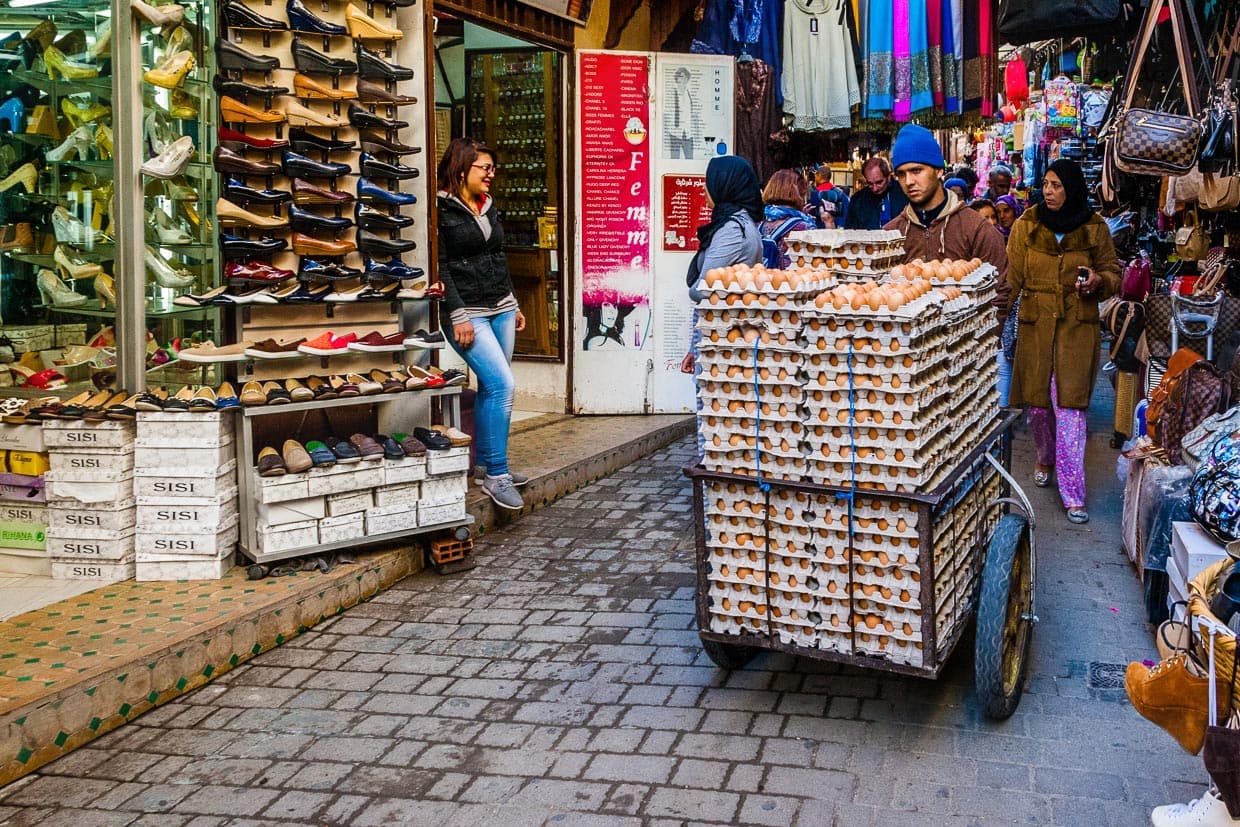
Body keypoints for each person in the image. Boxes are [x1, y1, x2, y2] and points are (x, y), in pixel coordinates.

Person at [1005, 159, 1120, 525]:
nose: (1049, 191)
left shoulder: (1094, 227)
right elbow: (1011, 280)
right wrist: (992, 323)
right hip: (1036, 326)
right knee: (1038, 408)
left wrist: (1097, 281)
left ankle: (1074, 494)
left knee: (1071, 411)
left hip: (1076, 328)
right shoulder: (1026, 225)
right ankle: (1045, 456)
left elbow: (1113, 274)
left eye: (1056, 185)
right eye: (1046, 184)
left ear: (1071, 188)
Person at [883, 124, 1011, 408]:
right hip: (909, 370)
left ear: (939, 170)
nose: (909, 181)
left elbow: (999, 294)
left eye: (917, 170)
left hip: (966, 368)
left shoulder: (976, 229)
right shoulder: (892, 234)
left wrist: (979, 349)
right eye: (901, 174)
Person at [436, 137, 528, 512]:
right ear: (461, 168)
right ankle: (497, 476)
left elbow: (497, 255)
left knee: (493, 388)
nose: (491, 174)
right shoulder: (441, 208)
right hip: (467, 311)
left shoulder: (487, 204)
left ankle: (487, 466)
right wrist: (457, 314)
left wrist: (513, 302)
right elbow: (440, 266)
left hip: (501, 306)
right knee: (503, 385)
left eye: (493, 168)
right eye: (484, 168)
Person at [760, 169, 816, 269]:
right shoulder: (803, 227)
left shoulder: (762, 224)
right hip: (794, 277)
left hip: (766, 276)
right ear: (798, 192)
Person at [845, 156, 908, 230]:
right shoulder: (858, 199)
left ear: (888, 177)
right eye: (870, 184)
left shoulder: (905, 193)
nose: (875, 189)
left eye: (879, 182)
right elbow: (850, 230)